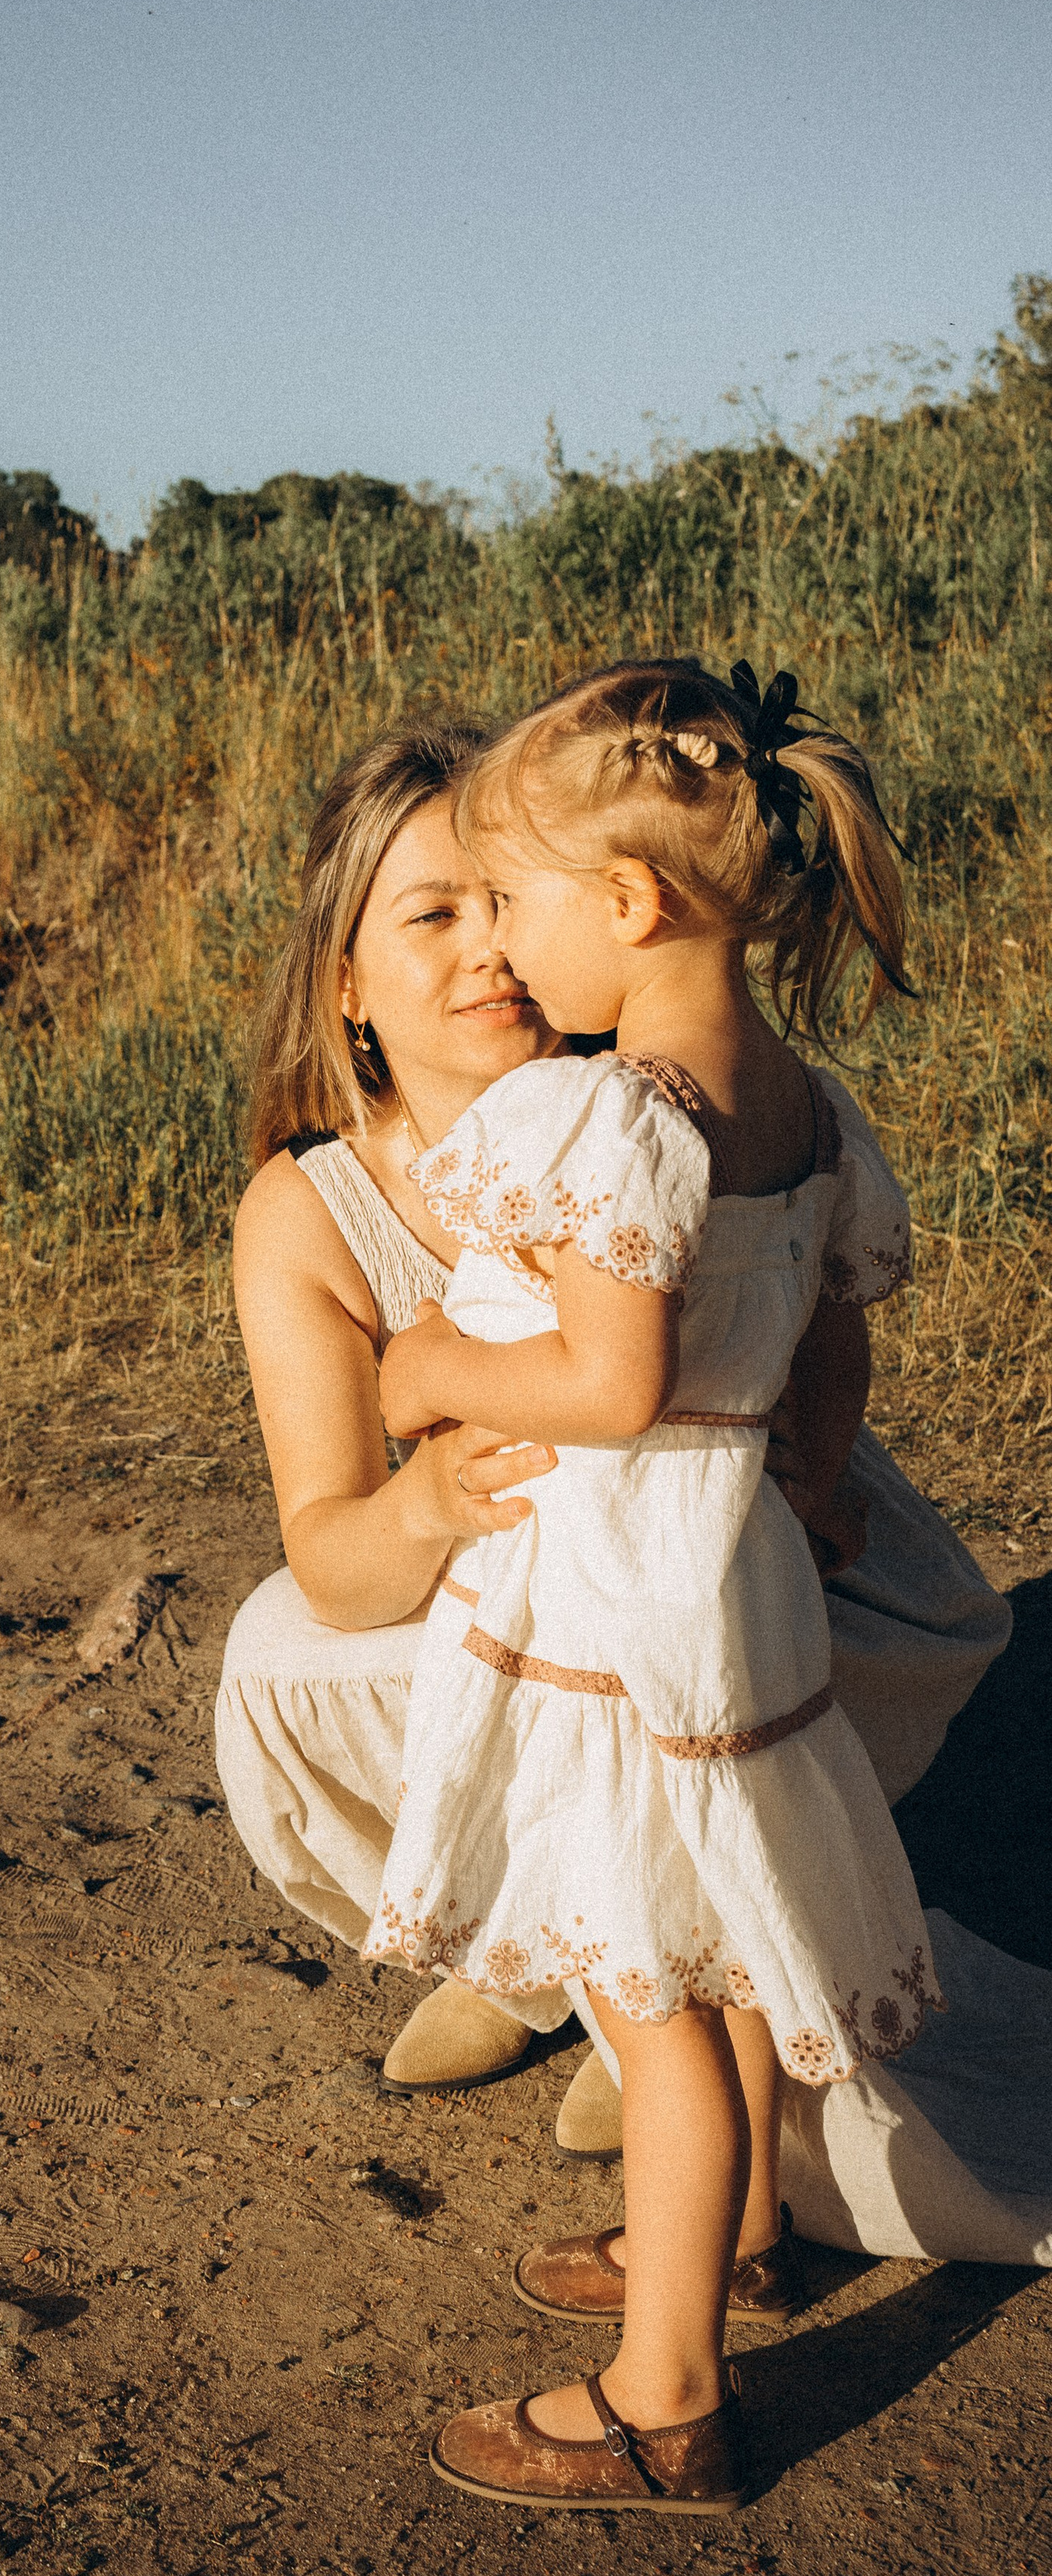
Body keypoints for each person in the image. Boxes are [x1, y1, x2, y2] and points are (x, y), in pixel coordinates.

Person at [219, 722, 1008, 2155]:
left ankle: (670, 1969)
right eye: (436, 913)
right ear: (346, 983)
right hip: (509, 1559)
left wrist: (816, 1478)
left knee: (866, 1619)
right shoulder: (309, 1212)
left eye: (509, 898)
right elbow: (335, 1559)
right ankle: (537, 1946)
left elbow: (813, 1329)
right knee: (281, 1660)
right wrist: (433, 1492)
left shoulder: (653, 1112)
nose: (493, 948)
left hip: (699, 1517)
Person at [369, 658, 978, 2508]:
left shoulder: (606, 1113)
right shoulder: (794, 1102)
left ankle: (661, 2399)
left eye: (513, 901)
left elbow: (607, 1380)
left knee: (655, 1991)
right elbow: (831, 1333)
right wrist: (803, 1475)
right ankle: (718, 2246)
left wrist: (425, 1376)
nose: (499, 948)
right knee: (719, 1931)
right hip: (732, 1573)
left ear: (625, 906)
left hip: (626, 1599)